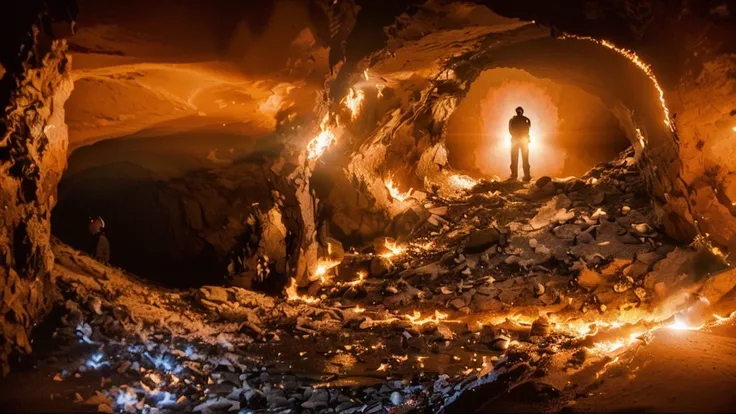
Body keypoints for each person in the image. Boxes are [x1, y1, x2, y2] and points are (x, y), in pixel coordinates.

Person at [508, 106, 532, 182]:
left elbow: (510, 130)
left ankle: (518, 175)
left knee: (518, 158)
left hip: (517, 140)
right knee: (523, 158)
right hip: (522, 140)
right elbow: (528, 129)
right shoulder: (526, 119)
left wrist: (517, 136)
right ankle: (524, 175)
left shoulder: (513, 120)